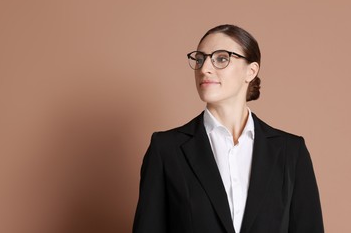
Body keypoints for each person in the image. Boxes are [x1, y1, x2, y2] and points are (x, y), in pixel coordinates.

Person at [132, 24, 324, 233]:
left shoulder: (291, 152)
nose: (204, 68)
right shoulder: (166, 149)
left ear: (251, 71)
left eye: (221, 58)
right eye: (199, 59)